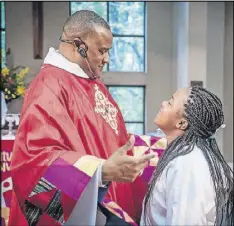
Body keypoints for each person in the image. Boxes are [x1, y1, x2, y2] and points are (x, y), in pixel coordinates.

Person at [8, 10, 164, 226]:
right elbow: (35, 160)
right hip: (88, 204)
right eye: (102, 51)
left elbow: (108, 137)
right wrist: (100, 172)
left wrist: (154, 145)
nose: (107, 59)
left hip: (107, 196)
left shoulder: (92, 82)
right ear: (79, 45)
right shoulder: (49, 85)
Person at [141, 86, 233, 225]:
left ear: (182, 123)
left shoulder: (187, 165)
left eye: (170, 102)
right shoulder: (185, 158)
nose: (163, 103)